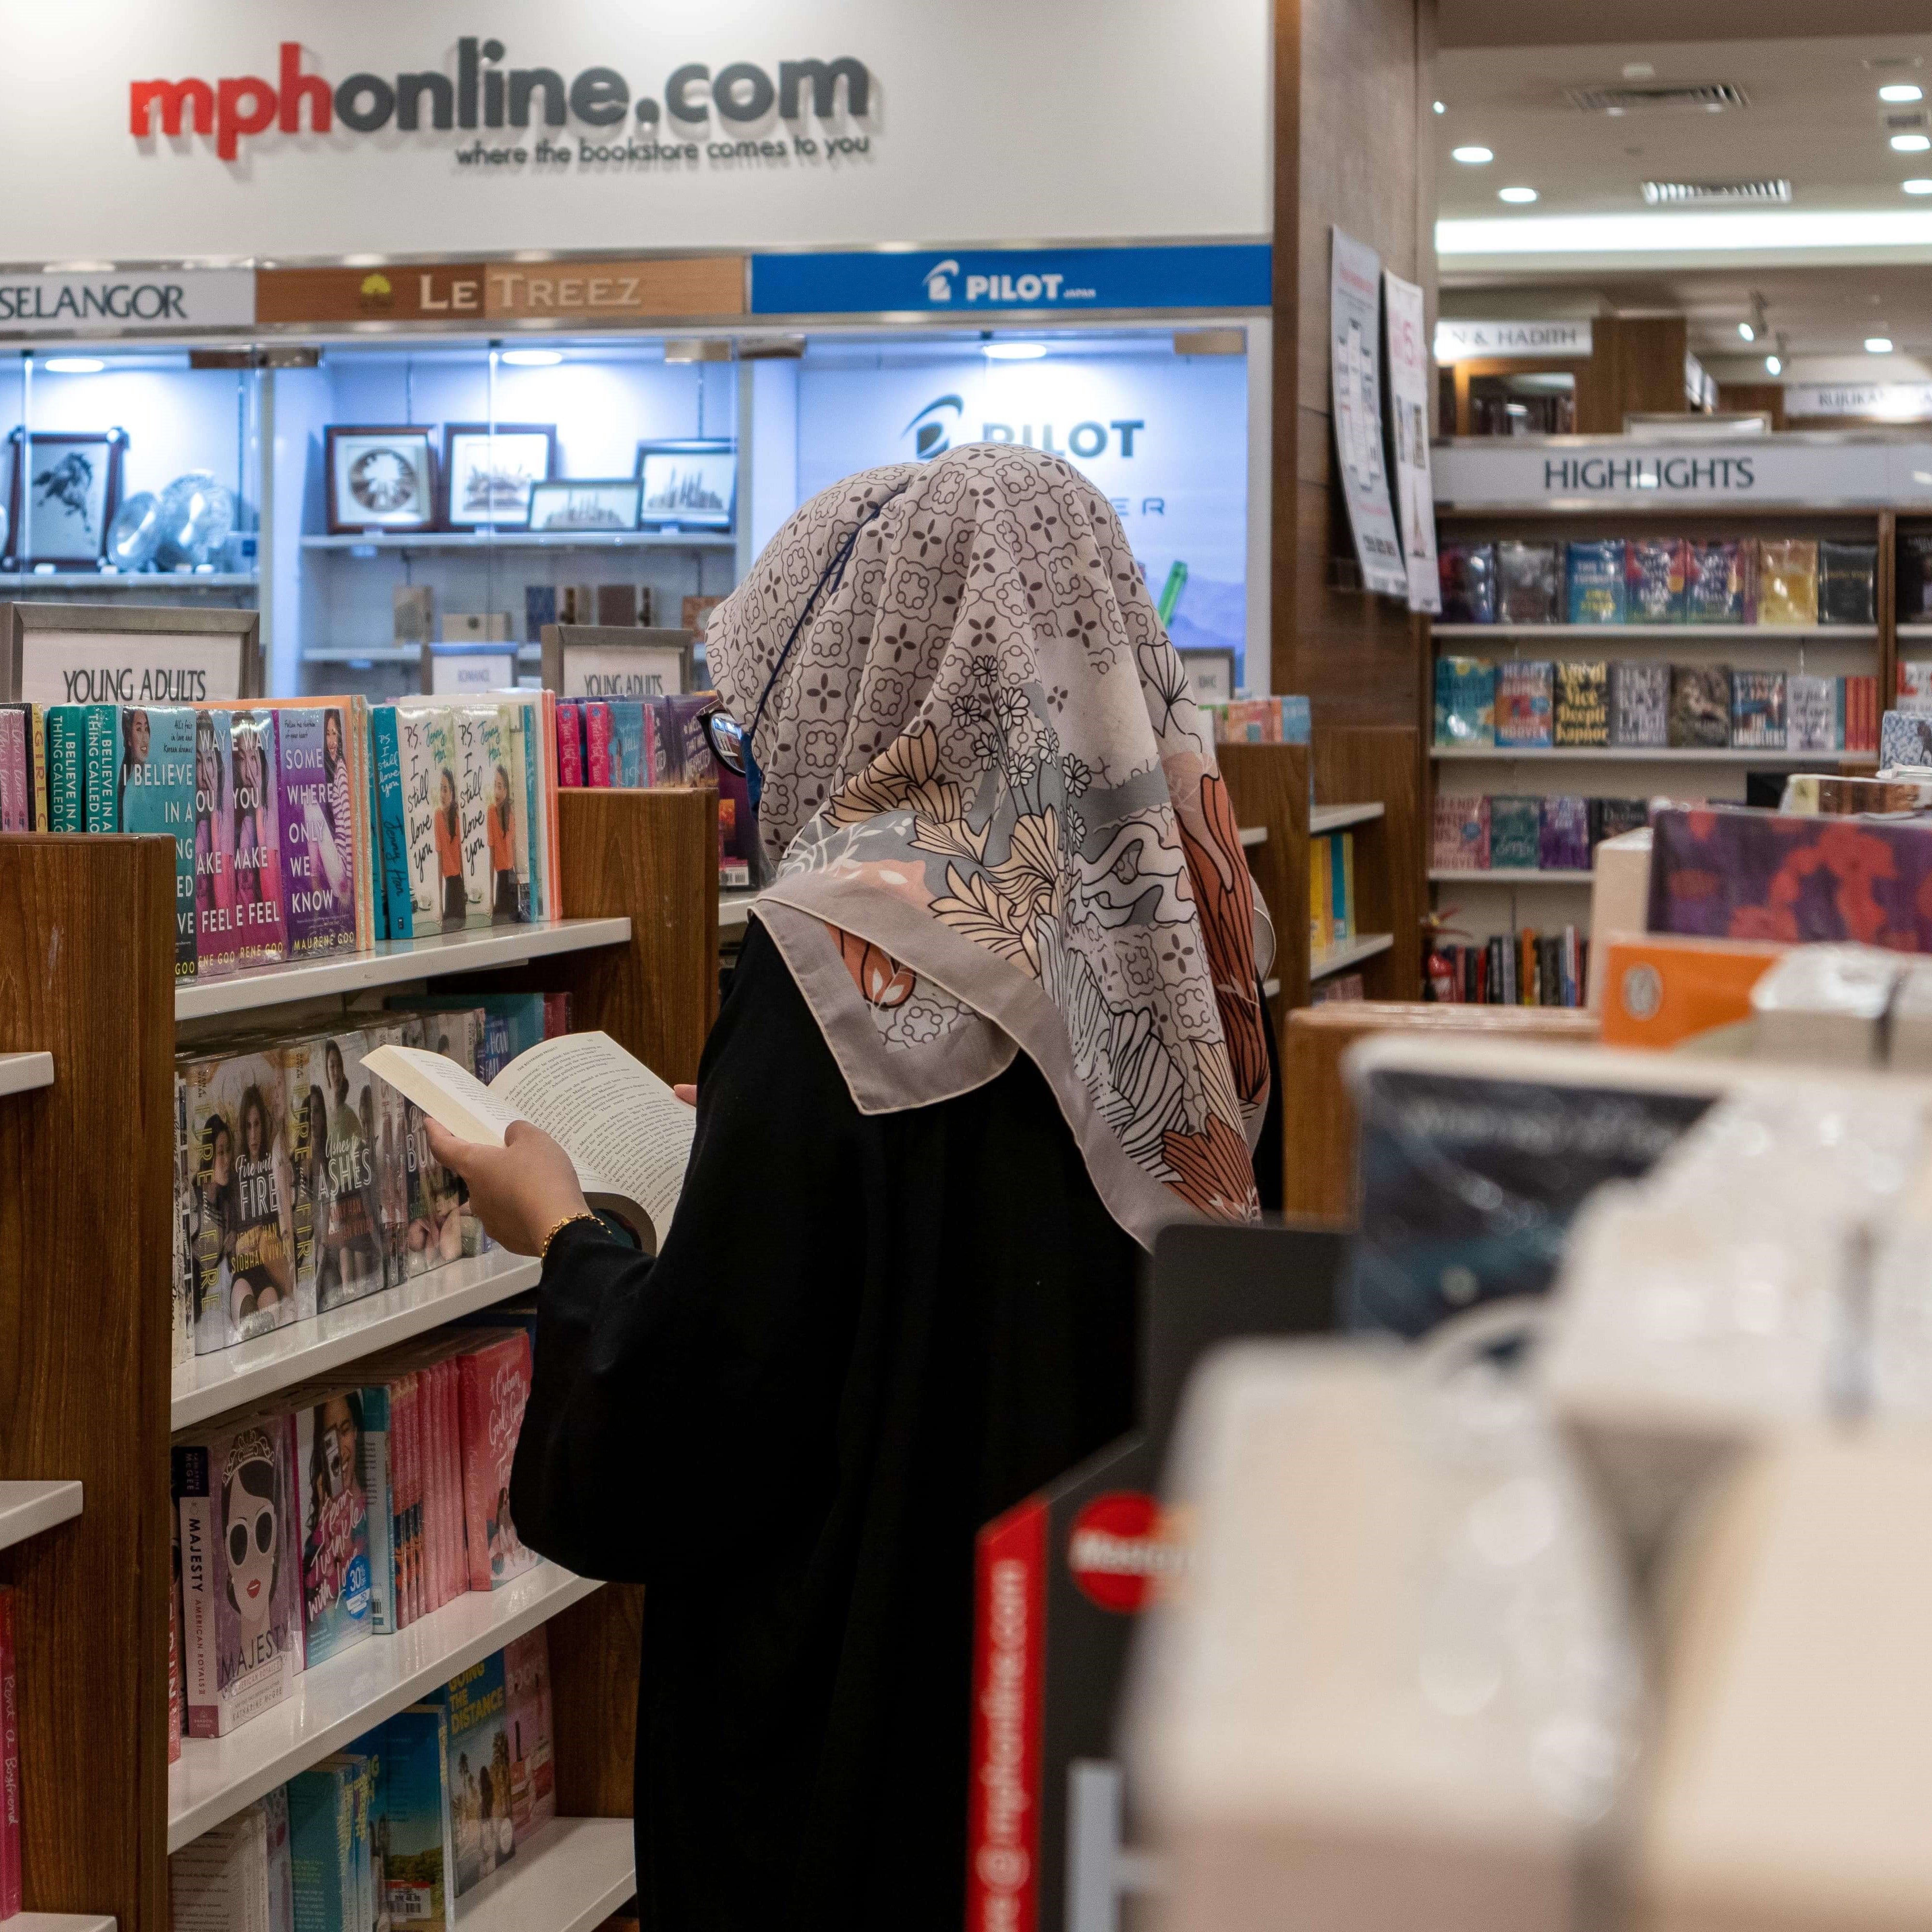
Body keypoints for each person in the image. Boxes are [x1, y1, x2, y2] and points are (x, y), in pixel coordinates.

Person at [427, 444, 1277, 1928]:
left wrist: (559, 1234)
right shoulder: (1188, 914)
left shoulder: (844, 948)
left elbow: (696, 1419)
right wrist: (767, 1135)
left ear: (865, 654)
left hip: (866, 1725)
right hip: (1090, 1678)